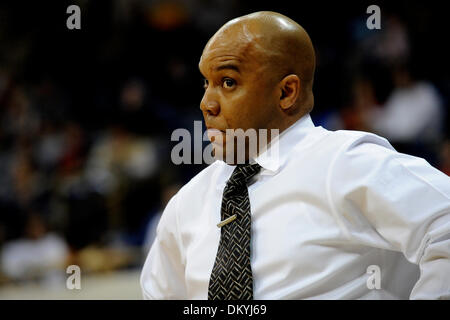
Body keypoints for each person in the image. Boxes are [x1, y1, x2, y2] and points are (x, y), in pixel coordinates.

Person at [140, 11, 450, 299]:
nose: (207, 103)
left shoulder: (346, 162)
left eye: (228, 82)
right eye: (206, 83)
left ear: (287, 92)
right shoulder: (187, 203)